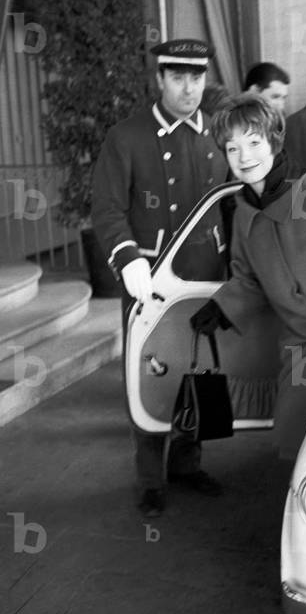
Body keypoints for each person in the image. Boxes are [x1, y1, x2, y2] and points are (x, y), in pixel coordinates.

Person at [190, 94, 306, 462]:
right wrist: (220, 308)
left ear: (274, 142)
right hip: (299, 340)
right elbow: (248, 278)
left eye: (253, 142)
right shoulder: (244, 212)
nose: (244, 157)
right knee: (293, 438)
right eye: (232, 148)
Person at [92, 38, 230, 517]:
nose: (189, 87)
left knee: (203, 370)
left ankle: (188, 463)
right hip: (148, 281)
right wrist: (128, 258)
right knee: (151, 375)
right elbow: (107, 209)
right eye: (178, 77)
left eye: (197, 77)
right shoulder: (126, 136)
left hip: (205, 275)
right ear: (160, 80)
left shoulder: (218, 132)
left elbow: (232, 205)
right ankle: (151, 478)